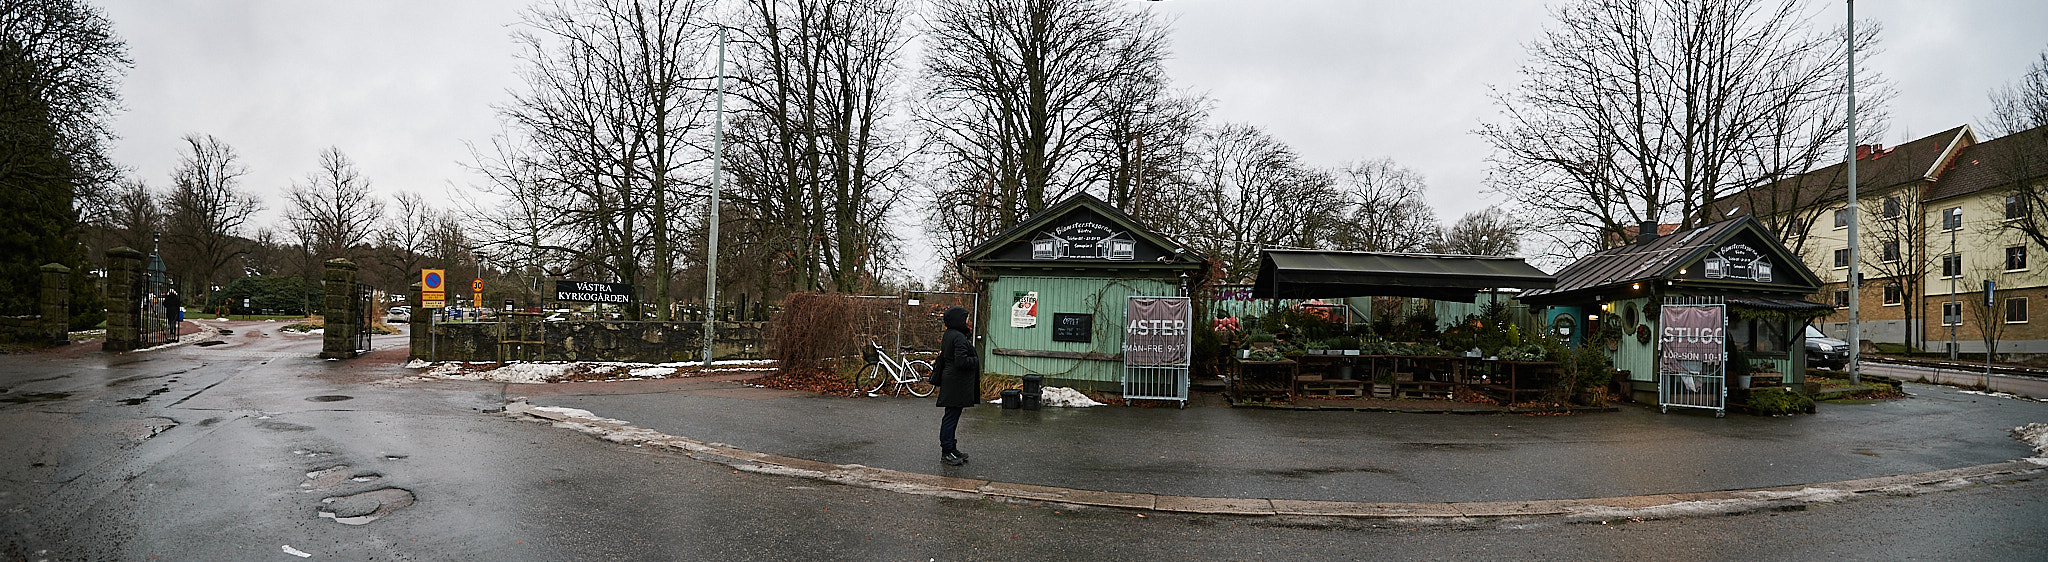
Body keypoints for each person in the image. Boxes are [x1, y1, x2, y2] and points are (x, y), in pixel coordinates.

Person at [930, 306, 980, 466]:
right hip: (955, 383)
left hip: (952, 381)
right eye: (966, 319)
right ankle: (946, 451)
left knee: (952, 416)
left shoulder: (950, 335)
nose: (968, 321)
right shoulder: (957, 337)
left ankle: (951, 448)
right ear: (959, 320)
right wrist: (976, 360)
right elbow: (960, 361)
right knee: (951, 417)